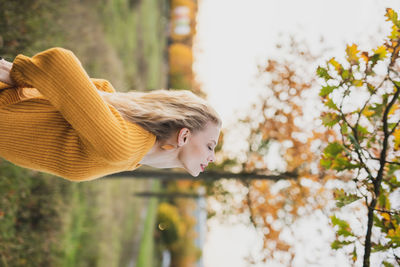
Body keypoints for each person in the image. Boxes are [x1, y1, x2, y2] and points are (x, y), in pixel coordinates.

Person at [0, 47, 221, 181]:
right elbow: (59, 61)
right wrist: (16, 72)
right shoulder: (124, 145)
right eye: (210, 146)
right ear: (183, 136)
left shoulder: (134, 155)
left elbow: (60, 92)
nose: (212, 158)